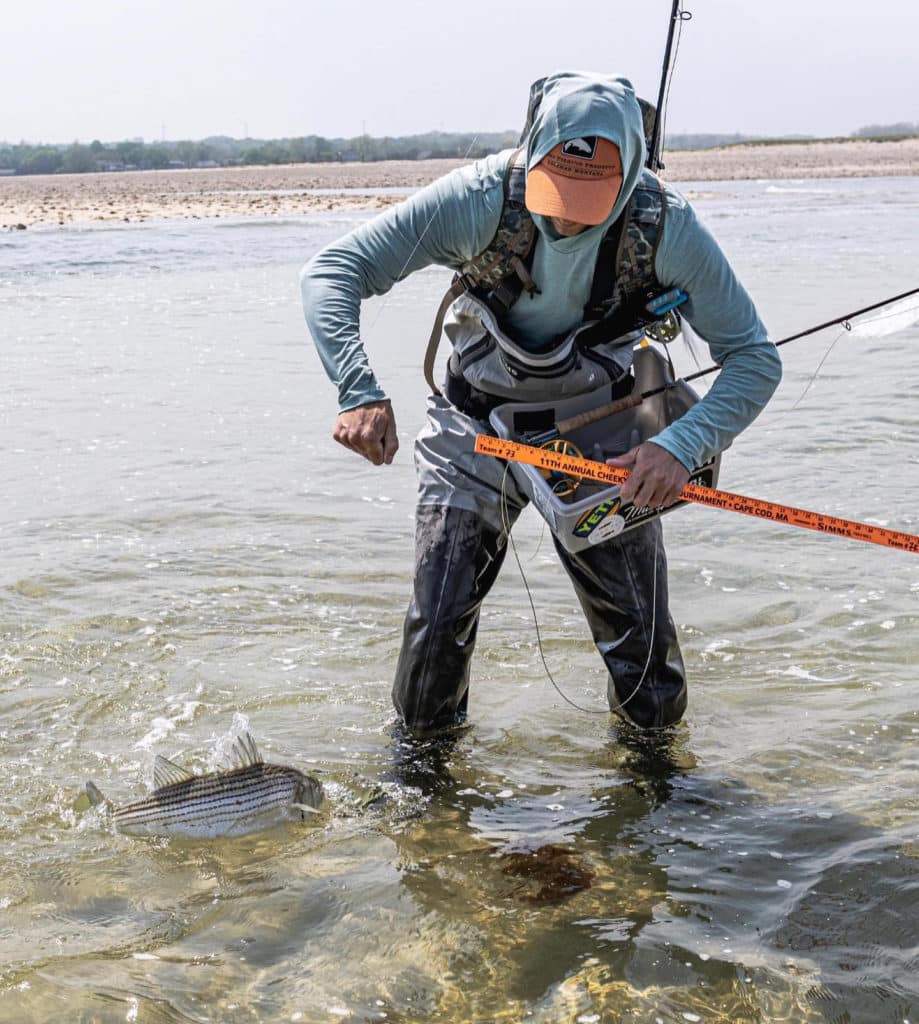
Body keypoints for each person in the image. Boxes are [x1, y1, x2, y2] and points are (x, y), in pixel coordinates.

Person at [300, 70, 781, 733]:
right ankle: (424, 802)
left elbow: (753, 358)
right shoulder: (476, 198)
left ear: (632, 171)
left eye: (590, 202)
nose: (563, 218)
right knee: (435, 632)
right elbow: (332, 272)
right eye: (554, 192)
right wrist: (358, 391)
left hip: (608, 441)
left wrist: (678, 445)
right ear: (531, 151)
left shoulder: (668, 227)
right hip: (475, 428)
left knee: (644, 657)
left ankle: (656, 802)